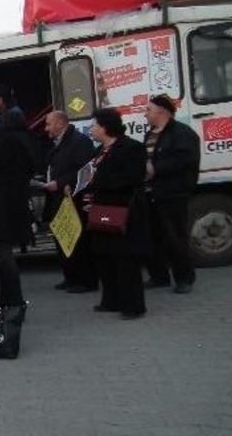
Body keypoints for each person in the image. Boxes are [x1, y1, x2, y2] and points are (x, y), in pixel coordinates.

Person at [85, 108, 149, 320]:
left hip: (123, 211)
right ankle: (111, 299)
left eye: (94, 125)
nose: (91, 129)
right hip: (101, 210)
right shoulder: (99, 151)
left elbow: (132, 178)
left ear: (105, 127)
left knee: (125, 260)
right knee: (104, 257)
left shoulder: (131, 148)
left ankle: (132, 305)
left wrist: (98, 182)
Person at [143, 95, 201, 294]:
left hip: (172, 195)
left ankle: (184, 278)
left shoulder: (181, 133)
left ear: (162, 111)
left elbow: (186, 161)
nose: (145, 114)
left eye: (148, 110)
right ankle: (159, 276)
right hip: (150, 195)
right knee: (152, 238)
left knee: (175, 238)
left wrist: (155, 168)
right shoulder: (149, 134)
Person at [0, 105, 37, 308]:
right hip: (18, 200)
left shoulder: (7, 141)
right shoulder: (26, 139)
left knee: (0, 252)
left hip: (4, 202)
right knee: (3, 252)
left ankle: (11, 300)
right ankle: (9, 299)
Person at [43, 110, 98, 293]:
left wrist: (60, 182)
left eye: (49, 124)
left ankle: (85, 280)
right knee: (63, 237)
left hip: (74, 197)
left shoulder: (80, 142)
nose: (46, 128)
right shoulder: (59, 143)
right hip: (59, 197)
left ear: (60, 123)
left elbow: (84, 171)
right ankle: (71, 276)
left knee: (79, 240)